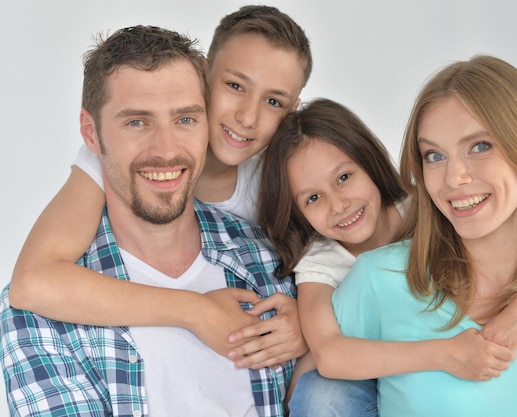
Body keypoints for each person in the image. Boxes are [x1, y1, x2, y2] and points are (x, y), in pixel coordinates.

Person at [1, 25, 296, 416]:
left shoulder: (266, 261)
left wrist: (314, 330)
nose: (166, 149)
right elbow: (32, 284)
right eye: (137, 122)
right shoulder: (40, 315)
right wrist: (194, 310)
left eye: (186, 119)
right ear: (91, 133)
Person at [332, 55, 517, 417]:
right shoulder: (380, 280)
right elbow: (316, 389)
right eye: (434, 155)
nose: (454, 177)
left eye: (480, 146)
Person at [244, 98, 517, 416]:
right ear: (298, 212)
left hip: (460, 364)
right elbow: (330, 355)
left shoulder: (424, 206)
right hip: (397, 367)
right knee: (318, 391)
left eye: (344, 178)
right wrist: (445, 354)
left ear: (369, 162)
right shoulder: (321, 260)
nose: (339, 205)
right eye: (313, 198)